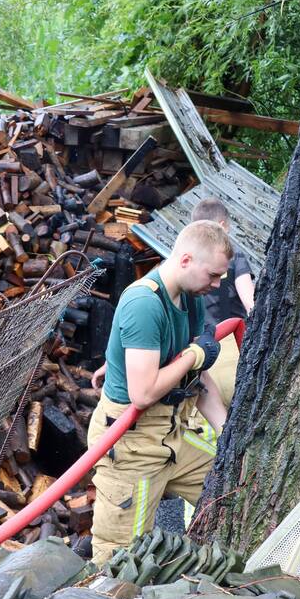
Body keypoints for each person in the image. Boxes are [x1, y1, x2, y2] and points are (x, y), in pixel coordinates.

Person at [87, 220, 232, 563]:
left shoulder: (191, 298)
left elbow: (198, 376)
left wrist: (226, 432)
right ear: (185, 260)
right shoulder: (144, 303)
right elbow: (142, 393)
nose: (215, 286)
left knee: (231, 486)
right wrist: (193, 356)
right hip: (130, 445)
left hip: (174, 434)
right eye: (212, 276)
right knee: (119, 560)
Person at [189, 198, 253, 408]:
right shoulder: (235, 259)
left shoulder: (187, 266)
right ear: (223, 226)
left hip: (201, 360)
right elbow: (250, 304)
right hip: (234, 351)